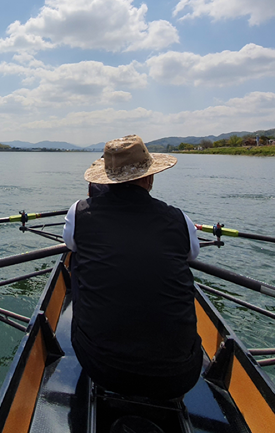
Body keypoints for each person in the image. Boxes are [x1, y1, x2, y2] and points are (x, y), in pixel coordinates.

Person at [63, 134, 202, 400]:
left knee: (77, 258)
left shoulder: (79, 212)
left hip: (100, 367)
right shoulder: (179, 219)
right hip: (180, 375)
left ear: (105, 178)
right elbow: (190, 257)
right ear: (150, 178)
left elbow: (71, 245)